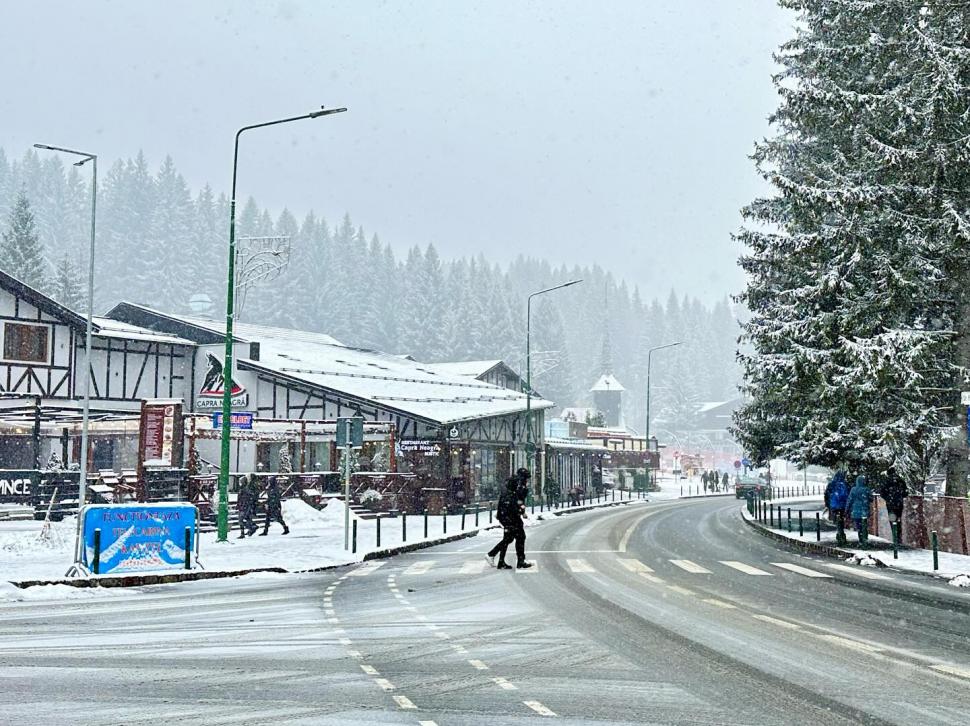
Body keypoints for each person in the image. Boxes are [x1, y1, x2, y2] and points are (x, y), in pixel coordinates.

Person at [486, 468, 533, 569]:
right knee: (519, 537)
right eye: (527, 478)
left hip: (506, 516)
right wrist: (521, 511)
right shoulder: (517, 486)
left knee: (508, 538)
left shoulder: (511, 485)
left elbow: (516, 501)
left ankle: (500, 560)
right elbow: (517, 502)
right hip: (511, 517)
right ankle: (518, 561)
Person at [846, 474, 873, 547]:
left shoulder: (853, 489)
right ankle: (865, 540)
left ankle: (861, 540)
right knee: (864, 526)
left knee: (859, 527)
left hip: (855, 511)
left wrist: (847, 510)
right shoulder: (866, 489)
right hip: (864, 511)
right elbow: (871, 499)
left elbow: (849, 500)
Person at [825, 470, 850, 546]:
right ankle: (841, 533)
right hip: (843, 505)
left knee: (837, 520)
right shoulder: (845, 484)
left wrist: (828, 504)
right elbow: (849, 495)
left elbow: (827, 495)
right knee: (841, 519)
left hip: (834, 505)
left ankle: (840, 533)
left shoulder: (832, 484)